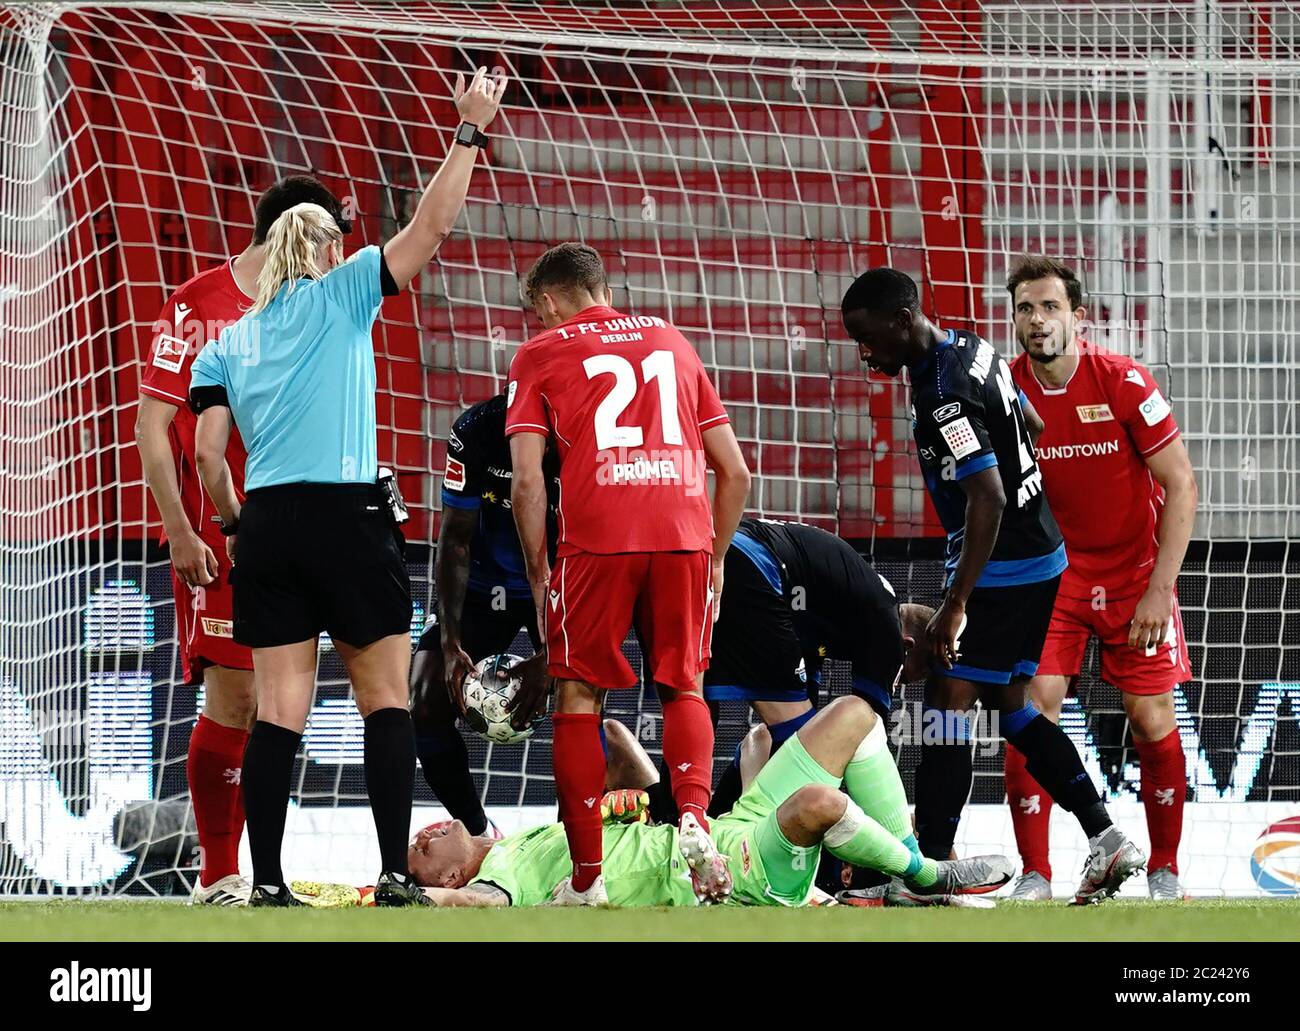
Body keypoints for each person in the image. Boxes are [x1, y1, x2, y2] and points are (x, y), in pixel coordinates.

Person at [188, 67, 507, 907]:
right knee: (383, 698)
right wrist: (468, 132)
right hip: (348, 513)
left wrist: (230, 521)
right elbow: (431, 227)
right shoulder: (346, 291)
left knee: (278, 712)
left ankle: (263, 881)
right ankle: (397, 875)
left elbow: (209, 454)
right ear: (328, 246)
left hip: (267, 522)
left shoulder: (226, 343)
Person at [841, 267, 1145, 904]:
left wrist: (955, 605)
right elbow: (1029, 421)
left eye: (867, 338)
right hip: (1041, 554)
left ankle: (930, 869)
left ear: (902, 320)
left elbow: (988, 494)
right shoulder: (973, 347)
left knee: (950, 701)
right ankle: (1106, 836)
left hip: (1002, 569)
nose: (864, 352)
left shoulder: (940, 395)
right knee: (1012, 705)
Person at [505, 242, 752, 905]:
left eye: (537, 313)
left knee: (579, 698)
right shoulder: (672, 339)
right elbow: (735, 470)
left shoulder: (539, 354)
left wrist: (538, 572)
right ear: (603, 290)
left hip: (599, 537)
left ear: (549, 301)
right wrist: (717, 556)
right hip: (683, 532)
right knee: (684, 686)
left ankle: (587, 881)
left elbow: (528, 480)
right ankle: (695, 818)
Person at [135, 174, 351, 905]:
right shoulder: (199, 306)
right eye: (327, 236)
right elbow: (152, 425)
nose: (334, 252)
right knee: (233, 697)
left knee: (276, 705)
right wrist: (180, 527)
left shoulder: (315, 308)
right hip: (224, 538)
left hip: (296, 533)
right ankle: (218, 873)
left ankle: (259, 877)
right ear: (296, 230)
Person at [406, 695, 1013, 907]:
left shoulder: (534, 839)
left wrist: (569, 707)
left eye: (416, 841)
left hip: (719, 830)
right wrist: (404, 894)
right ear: (453, 873)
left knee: (856, 715)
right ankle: (927, 873)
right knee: (818, 803)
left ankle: (904, 872)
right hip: (735, 872)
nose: (422, 836)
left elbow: (618, 746)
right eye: (420, 855)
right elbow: (463, 902)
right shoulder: (502, 880)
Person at [1004, 256, 1197, 901]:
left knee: (1149, 717)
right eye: (1026, 308)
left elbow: (1180, 484)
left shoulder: (1122, 380)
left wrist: (1158, 590)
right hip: (1051, 576)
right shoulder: (1005, 391)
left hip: (1134, 574)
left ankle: (1165, 870)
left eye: (1051, 307)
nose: (1038, 320)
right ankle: (1036, 874)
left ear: (1077, 318)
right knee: (1033, 711)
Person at [409, 392, 556, 833]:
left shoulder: (580, 431)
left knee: (579, 698)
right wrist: (451, 643)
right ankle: (478, 833)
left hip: (557, 581)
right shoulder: (473, 430)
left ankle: (576, 852)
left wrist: (555, 653)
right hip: (479, 585)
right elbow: (454, 538)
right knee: (425, 698)